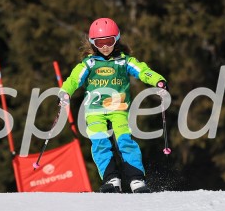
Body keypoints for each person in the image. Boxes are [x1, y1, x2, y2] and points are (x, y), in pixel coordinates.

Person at [58, 18, 168, 193]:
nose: (105, 47)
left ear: (116, 39)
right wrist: (65, 92)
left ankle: (136, 179)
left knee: (124, 140)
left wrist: (158, 81)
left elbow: (143, 71)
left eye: (108, 41)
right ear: (93, 43)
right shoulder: (89, 63)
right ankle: (111, 179)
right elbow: (74, 80)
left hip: (119, 108)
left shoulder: (124, 61)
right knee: (99, 142)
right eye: (99, 43)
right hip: (94, 110)